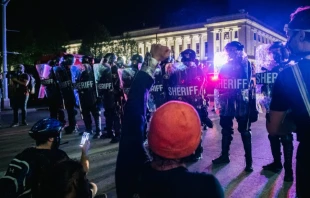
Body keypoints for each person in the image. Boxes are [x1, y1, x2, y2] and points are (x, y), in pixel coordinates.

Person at [115, 44, 224, 198]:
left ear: (150, 138)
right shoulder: (206, 187)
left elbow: (133, 113)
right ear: (193, 147)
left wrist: (152, 60)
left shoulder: (131, 172)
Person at [267, 6, 310, 197]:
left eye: (289, 35)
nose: (287, 41)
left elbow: (275, 128)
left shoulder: (288, 75)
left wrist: (295, 124)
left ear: (301, 35)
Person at [0, 118, 96, 198]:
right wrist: (84, 152)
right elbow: (81, 172)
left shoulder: (24, 154)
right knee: (92, 187)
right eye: (59, 134)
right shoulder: (58, 156)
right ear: (51, 138)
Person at [212, 41, 254, 172]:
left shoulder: (245, 64)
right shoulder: (225, 66)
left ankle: (249, 161)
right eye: (228, 50)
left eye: (233, 50)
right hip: (227, 101)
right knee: (226, 129)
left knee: (244, 130)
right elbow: (220, 82)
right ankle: (225, 155)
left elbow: (247, 81)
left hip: (241, 101)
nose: (230, 53)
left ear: (239, 51)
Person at [259, 42, 294, 182]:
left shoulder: (289, 67)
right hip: (272, 105)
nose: (275, 55)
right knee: (272, 134)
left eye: (277, 52)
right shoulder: (270, 68)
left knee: (285, 135)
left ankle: (289, 170)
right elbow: (264, 87)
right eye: (273, 53)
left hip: (287, 106)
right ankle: (277, 163)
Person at [75, 56, 102, 137]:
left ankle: (98, 131)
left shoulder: (95, 72)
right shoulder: (79, 73)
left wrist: (99, 97)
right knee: (85, 114)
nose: (84, 65)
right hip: (83, 97)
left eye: (85, 63)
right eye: (83, 64)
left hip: (92, 96)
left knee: (96, 114)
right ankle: (88, 129)